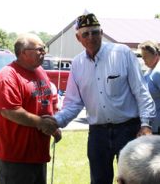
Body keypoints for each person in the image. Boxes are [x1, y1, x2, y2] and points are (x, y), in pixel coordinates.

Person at [46, 13, 156, 184]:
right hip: (98, 133)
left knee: (133, 180)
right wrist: (56, 121)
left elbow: (141, 92)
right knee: (98, 181)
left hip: (128, 130)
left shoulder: (122, 53)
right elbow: (73, 103)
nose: (91, 37)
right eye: (86, 34)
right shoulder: (77, 64)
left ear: (102, 32)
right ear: (78, 38)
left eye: (95, 32)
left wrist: (146, 125)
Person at [0, 33, 60, 184]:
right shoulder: (8, 76)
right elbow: (10, 110)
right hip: (16, 158)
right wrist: (41, 123)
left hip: (38, 154)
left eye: (44, 48)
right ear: (23, 52)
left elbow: (46, 105)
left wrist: (53, 127)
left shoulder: (40, 71)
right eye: (40, 49)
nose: (44, 52)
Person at [138, 40, 160, 134]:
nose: (144, 60)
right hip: (153, 125)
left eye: (145, 57)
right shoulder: (150, 70)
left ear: (155, 55)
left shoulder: (157, 73)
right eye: (142, 58)